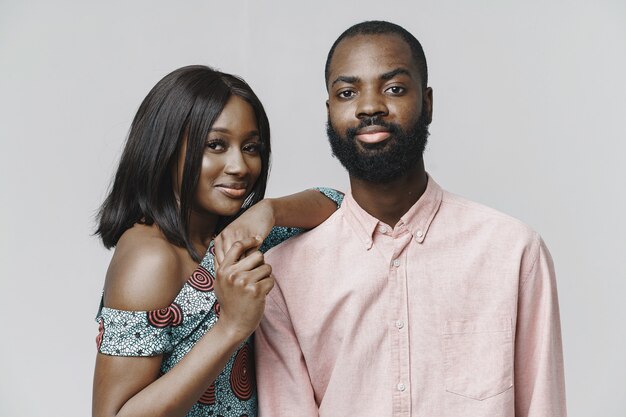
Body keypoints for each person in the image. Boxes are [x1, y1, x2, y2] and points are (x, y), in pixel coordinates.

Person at [255, 21, 566, 417]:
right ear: (330, 110)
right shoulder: (282, 275)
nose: (370, 106)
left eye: (394, 88)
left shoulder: (512, 251)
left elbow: (543, 406)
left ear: (428, 102)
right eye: (348, 92)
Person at [92, 65, 343, 417]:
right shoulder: (151, 258)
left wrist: (271, 210)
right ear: (165, 147)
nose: (240, 166)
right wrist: (232, 327)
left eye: (251, 147)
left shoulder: (233, 238)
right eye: (216, 145)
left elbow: (338, 204)